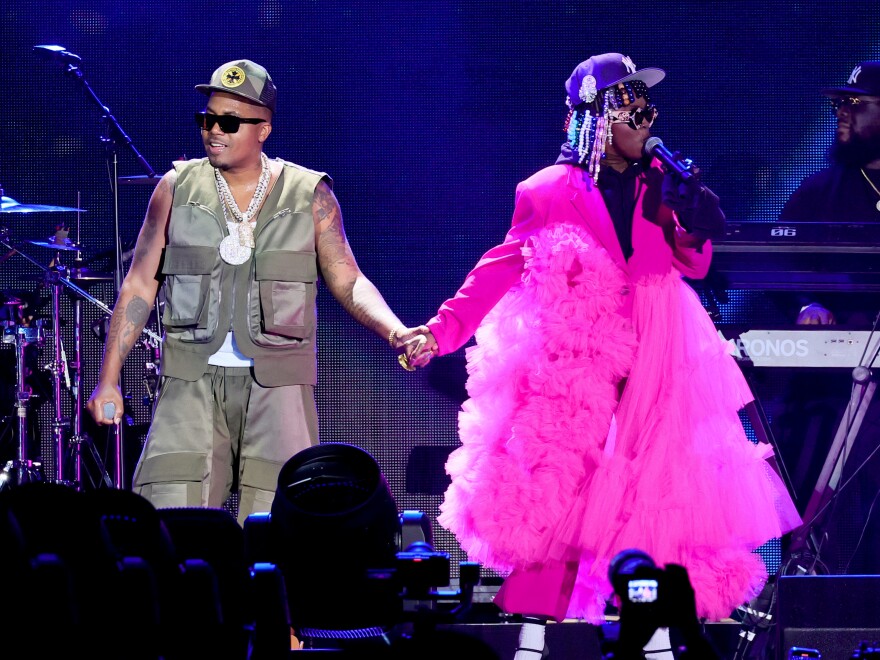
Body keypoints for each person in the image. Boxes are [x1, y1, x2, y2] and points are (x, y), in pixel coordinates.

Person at [409, 53, 801, 659]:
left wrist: (692, 212)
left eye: (649, 108)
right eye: (634, 108)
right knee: (564, 484)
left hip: (658, 351)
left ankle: (658, 636)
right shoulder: (547, 192)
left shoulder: (658, 187)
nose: (647, 120)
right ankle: (536, 637)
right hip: (579, 359)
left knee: (660, 483)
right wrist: (440, 332)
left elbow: (691, 262)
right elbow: (499, 268)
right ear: (598, 117)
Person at [87, 60, 425, 523]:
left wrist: (396, 332)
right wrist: (109, 379)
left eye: (228, 122)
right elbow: (140, 283)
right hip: (190, 382)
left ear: (263, 128)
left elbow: (348, 278)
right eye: (206, 119)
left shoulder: (309, 194)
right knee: (170, 518)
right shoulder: (174, 188)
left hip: (277, 388)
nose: (213, 132)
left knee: (278, 525)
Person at [780, 61, 880, 325]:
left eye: (855, 102)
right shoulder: (818, 190)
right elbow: (780, 262)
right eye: (839, 104)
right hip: (839, 352)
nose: (841, 113)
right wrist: (806, 304)